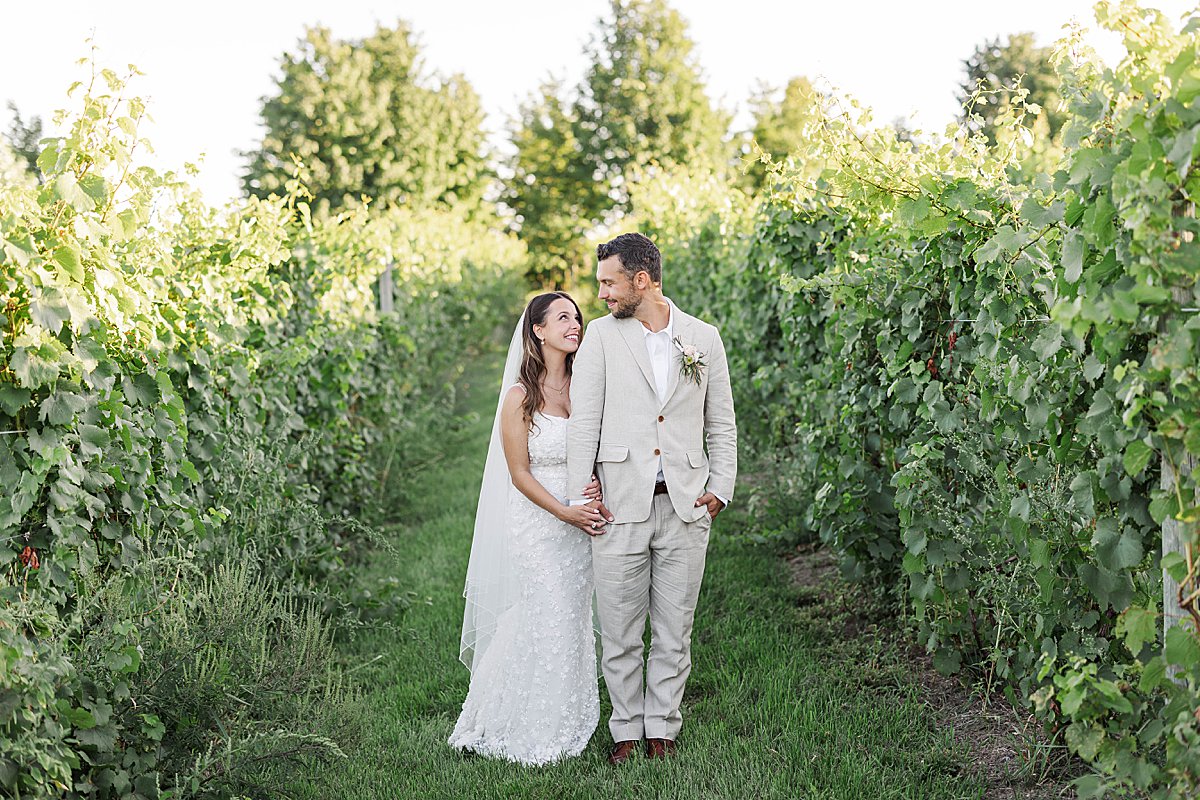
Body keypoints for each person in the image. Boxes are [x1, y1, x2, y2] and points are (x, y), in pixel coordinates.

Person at [565, 232, 737, 764]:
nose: (601, 294)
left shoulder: (703, 338)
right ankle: (625, 730)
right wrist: (581, 493)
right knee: (618, 629)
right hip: (619, 504)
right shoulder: (600, 336)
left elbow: (722, 423)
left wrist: (720, 491)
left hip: (686, 505)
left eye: (609, 283)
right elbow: (584, 422)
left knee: (674, 627)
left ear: (642, 280)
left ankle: (661, 724)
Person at [450, 291, 613, 765]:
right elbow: (519, 473)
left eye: (577, 317)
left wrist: (593, 492)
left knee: (571, 615)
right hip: (540, 522)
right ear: (538, 330)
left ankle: (569, 712)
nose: (575, 324)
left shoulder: (587, 384)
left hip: (582, 517)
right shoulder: (519, 397)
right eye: (562, 317)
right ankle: (533, 723)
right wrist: (564, 511)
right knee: (548, 610)